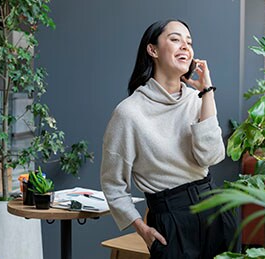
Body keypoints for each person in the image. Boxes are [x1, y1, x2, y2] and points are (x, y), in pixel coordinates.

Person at [100, 19, 239, 258]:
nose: (185, 46)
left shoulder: (198, 99)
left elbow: (211, 156)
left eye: (189, 42)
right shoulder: (129, 113)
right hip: (170, 220)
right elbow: (113, 183)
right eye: (175, 39)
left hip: (215, 211)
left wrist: (207, 92)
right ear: (152, 50)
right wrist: (140, 228)